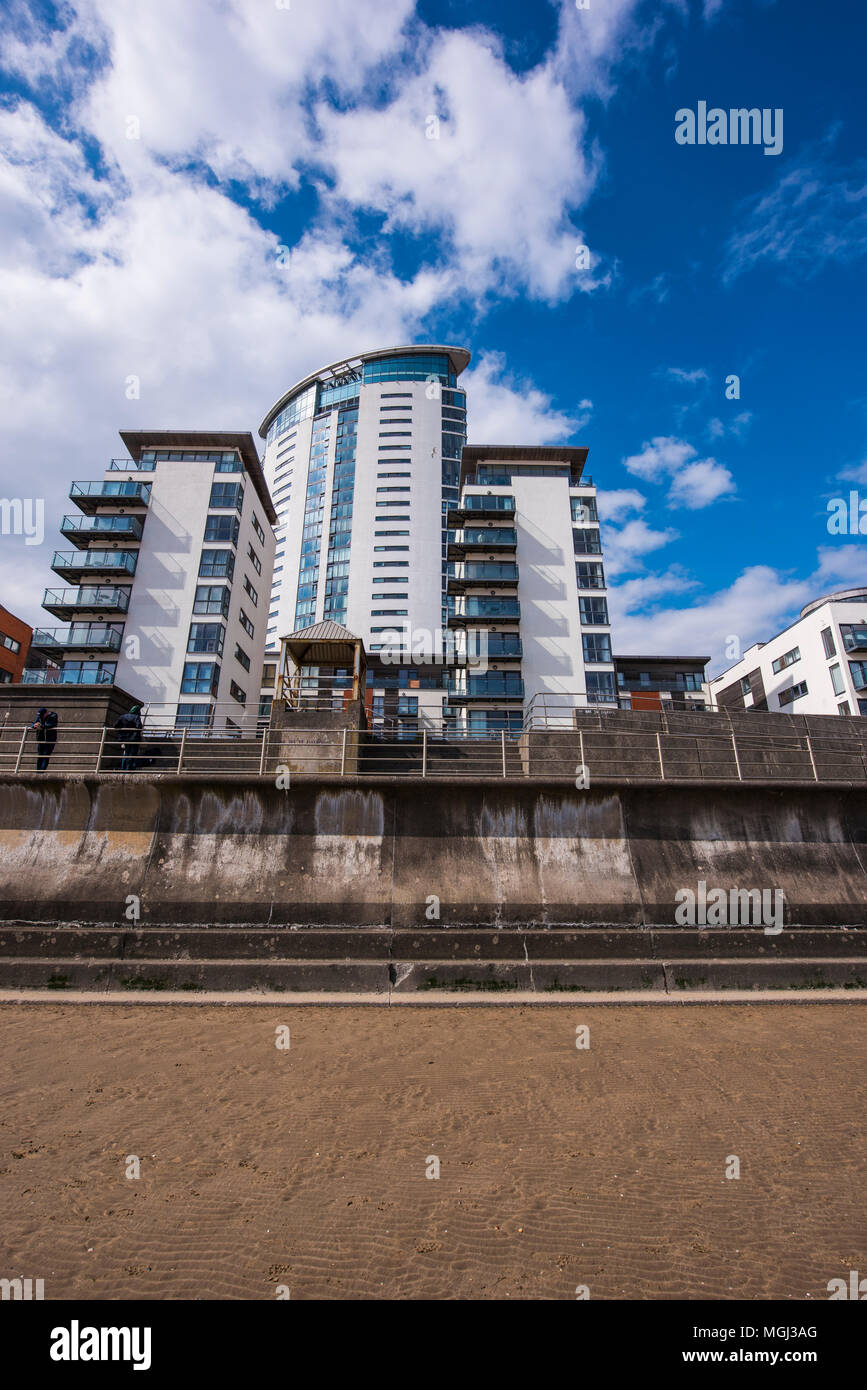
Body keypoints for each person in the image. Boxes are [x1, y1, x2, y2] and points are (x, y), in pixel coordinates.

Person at [114, 705, 143, 771]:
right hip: (134, 738)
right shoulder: (136, 717)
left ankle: (123, 767)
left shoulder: (123, 716)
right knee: (132, 753)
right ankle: (128, 768)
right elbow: (139, 727)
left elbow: (115, 725)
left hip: (125, 738)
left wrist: (123, 730)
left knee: (126, 752)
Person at [31, 707, 58, 772]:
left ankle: (41, 772)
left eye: (41, 715)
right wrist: (34, 725)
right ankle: (37, 772)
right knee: (40, 756)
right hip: (41, 738)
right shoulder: (40, 716)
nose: (40, 717)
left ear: (46, 713)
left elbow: (51, 725)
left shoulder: (53, 716)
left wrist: (41, 726)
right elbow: (33, 723)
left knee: (46, 756)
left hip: (49, 739)